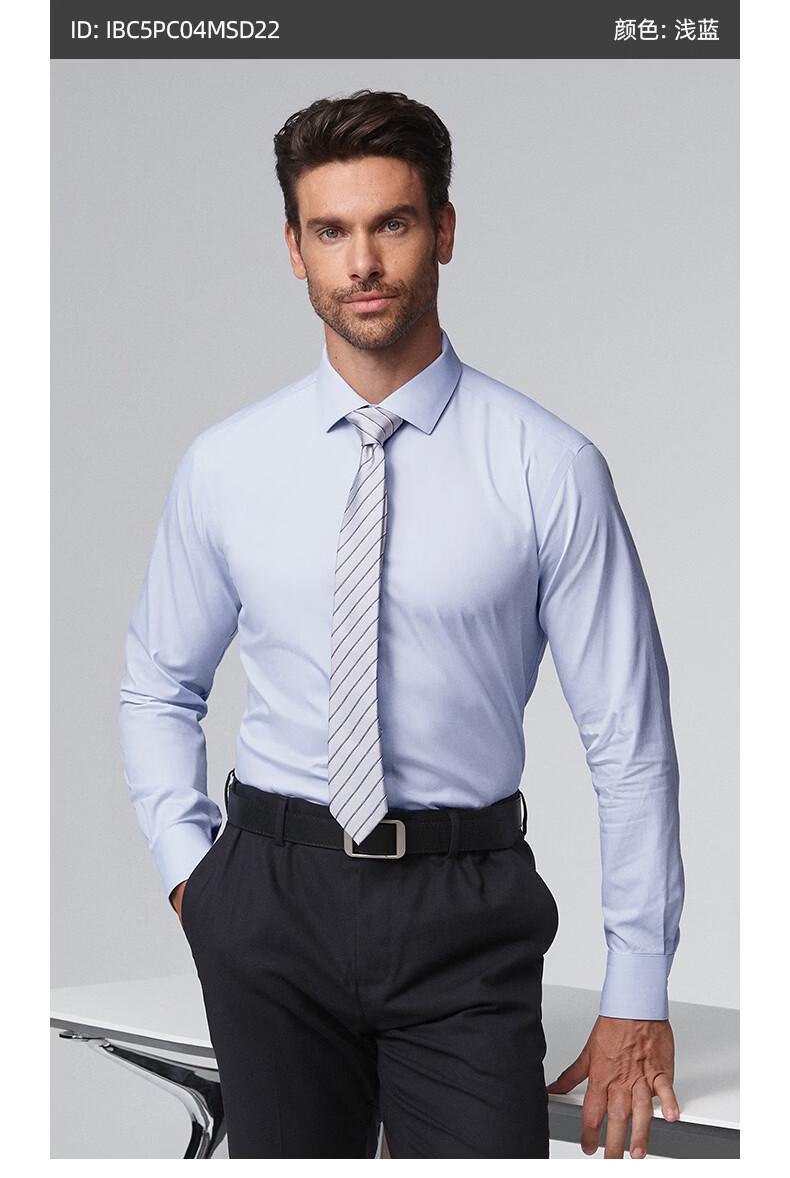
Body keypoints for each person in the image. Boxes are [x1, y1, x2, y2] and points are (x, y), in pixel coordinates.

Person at [120, 89, 684, 1160]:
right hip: (268, 898)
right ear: (295, 250)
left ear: (445, 231)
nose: (364, 262)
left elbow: (630, 742)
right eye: (331, 231)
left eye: (392, 223)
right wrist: (196, 879)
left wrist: (637, 988)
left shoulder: (549, 468)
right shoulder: (227, 466)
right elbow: (158, 685)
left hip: (461, 911)